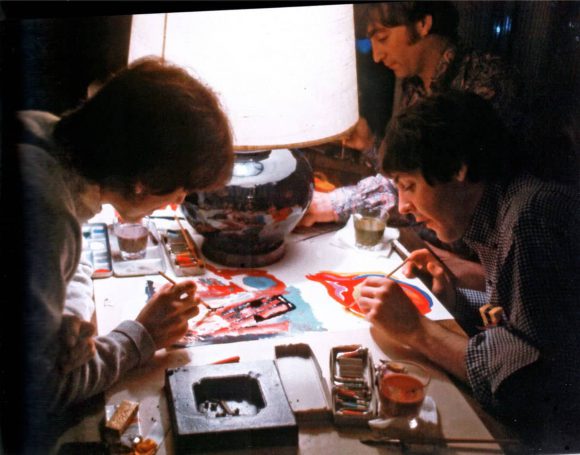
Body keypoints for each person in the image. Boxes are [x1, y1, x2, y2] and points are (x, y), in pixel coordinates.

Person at [8, 57, 234, 452]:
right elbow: (36, 395)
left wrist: (71, 317)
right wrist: (140, 337)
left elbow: (72, 250)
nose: (174, 206)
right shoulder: (43, 210)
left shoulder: (45, 134)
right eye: (179, 191)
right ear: (142, 184)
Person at [356, 91, 580, 452]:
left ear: (458, 167)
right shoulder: (503, 213)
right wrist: (454, 299)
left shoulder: (529, 220)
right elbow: (516, 326)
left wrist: (418, 331)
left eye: (408, 185)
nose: (403, 207)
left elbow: (536, 387)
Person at [300, 2, 520, 243]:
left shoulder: (483, 82)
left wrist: (335, 204)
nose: (376, 55)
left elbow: (432, 187)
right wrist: (368, 144)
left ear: (423, 24)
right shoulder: (414, 88)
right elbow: (406, 178)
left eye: (382, 37)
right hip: (431, 243)